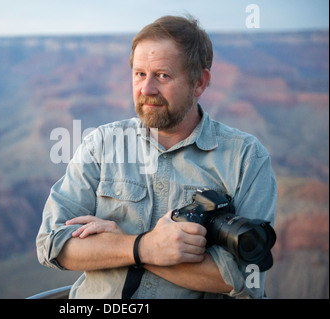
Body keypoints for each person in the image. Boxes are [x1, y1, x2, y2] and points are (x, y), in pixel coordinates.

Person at [36, 15, 277, 299]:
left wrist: (118, 247)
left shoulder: (246, 158)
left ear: (199, 82)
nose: (146, 89)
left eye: (162, 75)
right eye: (139, 74)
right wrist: (144, 247)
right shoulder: (101, 144)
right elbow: (51, 243)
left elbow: (245, 279)